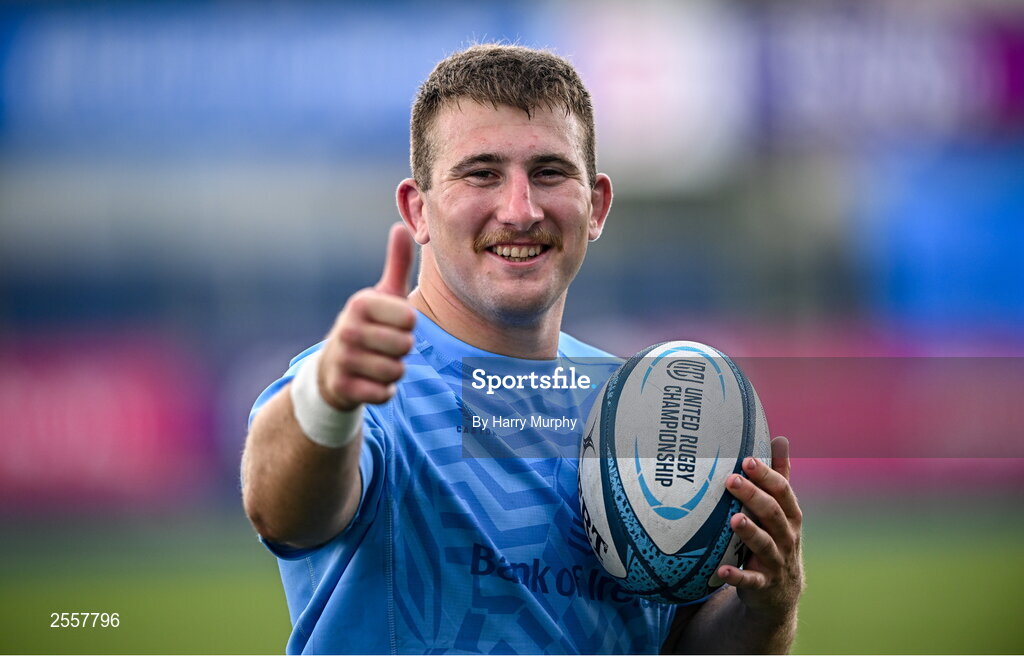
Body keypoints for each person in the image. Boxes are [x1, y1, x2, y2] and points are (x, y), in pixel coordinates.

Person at [242, 44, 804, 654]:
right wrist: (327, 399)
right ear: (417, 209)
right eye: (481, 173)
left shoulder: (636, 406)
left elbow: (682, 644)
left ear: (597, 206)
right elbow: (283, 514)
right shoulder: (366, 382)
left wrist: (767, 606)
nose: (520, 209)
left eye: (549, 173)